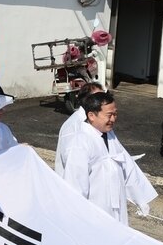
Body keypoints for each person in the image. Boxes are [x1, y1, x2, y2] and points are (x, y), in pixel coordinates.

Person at [57, 91, 156, 225]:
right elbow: (75, 184)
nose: (113, 119)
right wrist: (77, 218)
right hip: (94, 212)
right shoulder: (80, 142)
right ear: (91, 116)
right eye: (109, 115)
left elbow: (127, 166)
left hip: (117, 208)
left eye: (115, 114)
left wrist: (140, 198)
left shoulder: (110, 136)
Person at [55, 81, 105, 176]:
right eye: (100, 98)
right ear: (88, 100)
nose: (105, 101)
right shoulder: (74, 125)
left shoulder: (99, 120)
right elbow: (74, 167)